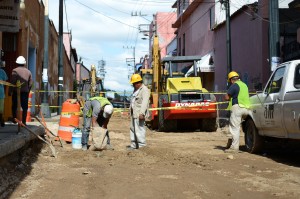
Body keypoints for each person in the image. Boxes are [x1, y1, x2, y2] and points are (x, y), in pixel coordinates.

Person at [224, 71, 251, 153]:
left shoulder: (235, 85)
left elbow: (227, 97)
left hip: (237, 108)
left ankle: (234, 148)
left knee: (234, 128)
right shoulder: (244, 85)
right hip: (246, 109)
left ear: (231, 80)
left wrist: (226, 96)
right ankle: (231, 143)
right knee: (237, 127)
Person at [127, 74, 150, 150]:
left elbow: (145, 102)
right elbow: (133, 101)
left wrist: (142, 113)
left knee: (139, 130)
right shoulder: (136, 90)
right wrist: (130, 110)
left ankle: (142, 146)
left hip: (139, 114)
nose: (133, 85)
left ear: (138, 82)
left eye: (134, 83)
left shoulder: (144, 90)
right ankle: (133, 145)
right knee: (132, 129)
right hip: (134, 113)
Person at [10, 56, 32, 125]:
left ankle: (14, 119)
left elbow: (12, 82)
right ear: (24, 63)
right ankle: (24, 122)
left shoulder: (15, 71)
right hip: (25, 92)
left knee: (14, 105)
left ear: (17, 63)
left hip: (16, 91)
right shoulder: (28, 72)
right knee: (25, 107)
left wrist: (10, 91)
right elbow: (30, 83)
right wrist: (28, 91)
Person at [0, 62, 8, 127]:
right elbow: (6, 82)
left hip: (1, 93)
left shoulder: (2, 72)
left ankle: (1, 120)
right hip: (1, 93)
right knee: (1, 109)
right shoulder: (2, 71)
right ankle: (1, 121)